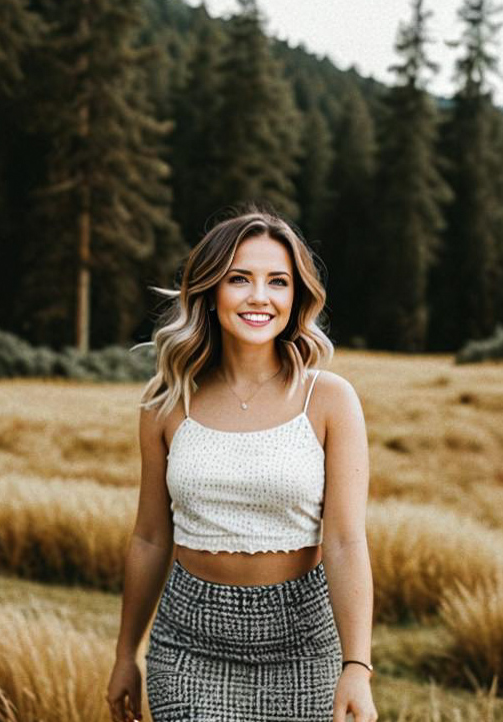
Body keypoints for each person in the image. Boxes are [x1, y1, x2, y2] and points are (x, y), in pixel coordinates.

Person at [107, 207, 378, 721]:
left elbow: (345, 541)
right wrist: (126, 654)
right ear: (210, 292)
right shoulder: (165, 402)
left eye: (278, 281)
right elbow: (148, 537)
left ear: (296, 296)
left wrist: (357, 666)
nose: (260, 297)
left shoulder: (330, 400)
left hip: (303, 646)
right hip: (188, 646)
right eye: (239, 279)